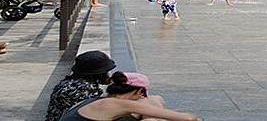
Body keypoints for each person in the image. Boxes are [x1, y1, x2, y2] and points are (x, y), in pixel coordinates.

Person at [59, 71, 200, 121]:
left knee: (155, 101)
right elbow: (188, 118)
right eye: (143, 94)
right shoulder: (118, 104)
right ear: (138, 92)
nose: (143, 98)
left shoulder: (106, 99)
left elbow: (155, 101)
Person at [45, 50, 117, 121]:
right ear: (97, 73)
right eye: (105, 72)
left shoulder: (70, 82)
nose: (108, 75)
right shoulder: (83, 89)